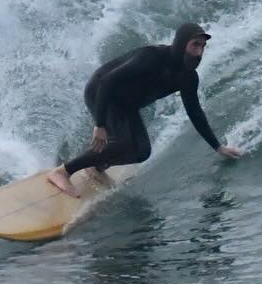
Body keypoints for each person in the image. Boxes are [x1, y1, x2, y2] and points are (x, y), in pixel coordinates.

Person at [46, 21, 241, 197]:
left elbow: (195, 112)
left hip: (126, 105)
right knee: (124, 142)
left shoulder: (188, 77)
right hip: (101, 91)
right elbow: (106, 81)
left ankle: (97, 164)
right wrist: (100, 124)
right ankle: (63, 172)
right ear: (182, 44)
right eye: (195, 45)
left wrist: (218, 147)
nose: (199, 52)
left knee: (141, 152)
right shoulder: (151, 57)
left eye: (203, 46)